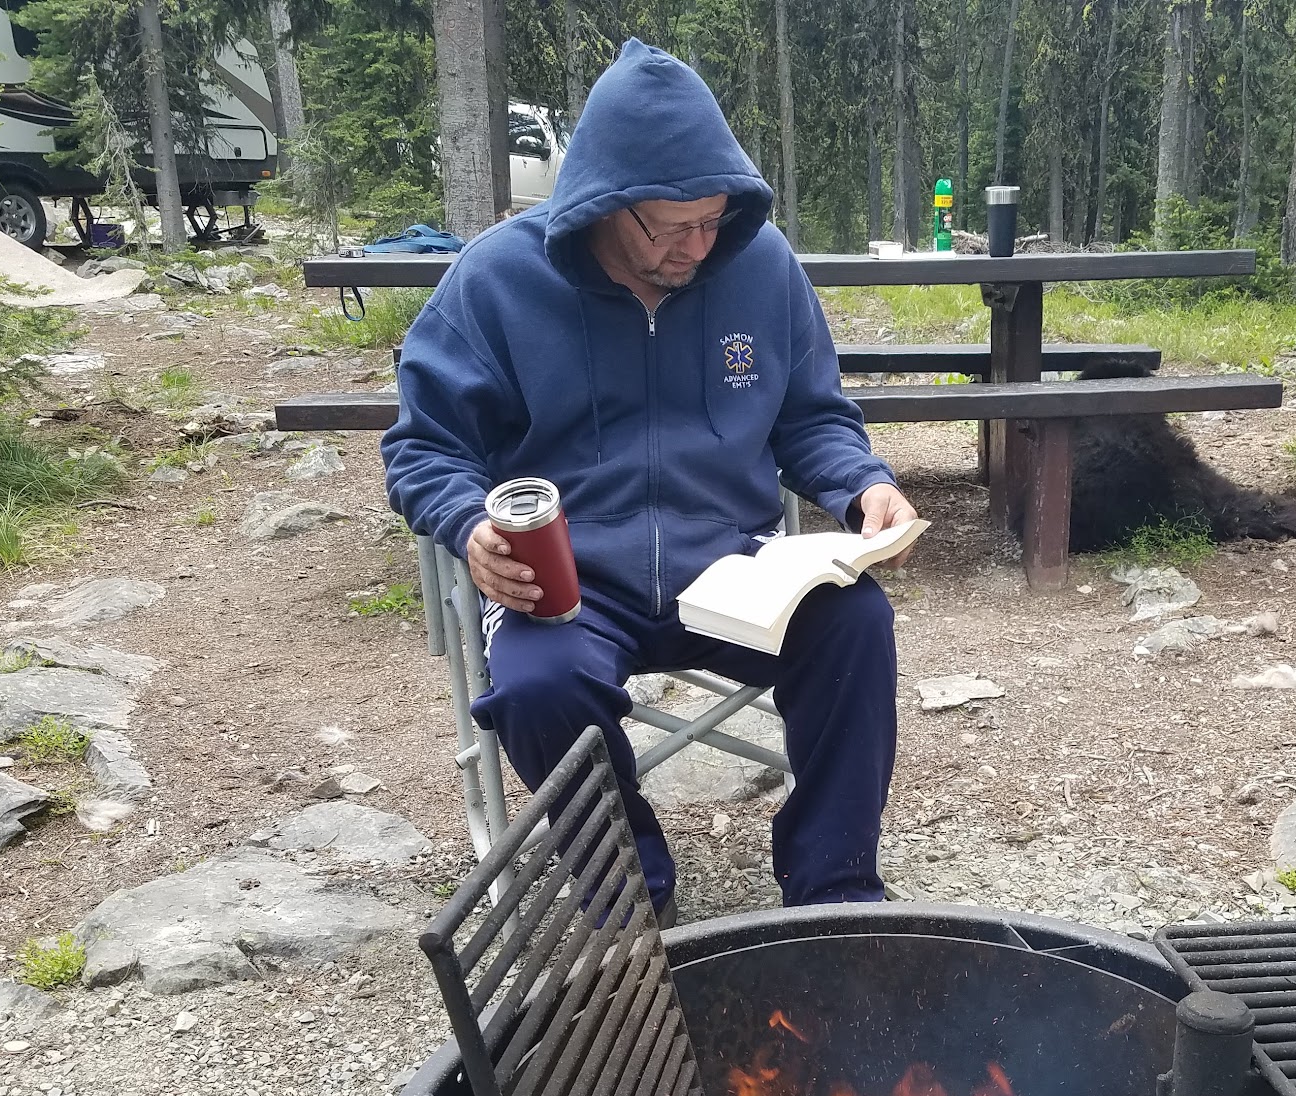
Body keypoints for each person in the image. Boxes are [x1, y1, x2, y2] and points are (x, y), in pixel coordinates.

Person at [383, 40, 919, 920]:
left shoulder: (760, 264)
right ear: (603, 203)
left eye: (713, 221)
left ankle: (834, 892)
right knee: (534, 687)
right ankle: (634, 898)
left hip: (735, 571)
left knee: (856, 624)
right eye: (670, 227)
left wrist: (863, 485)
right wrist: (467, 524)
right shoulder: (496, 280)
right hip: (571, 584)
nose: (697, 248)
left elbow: (811, 417)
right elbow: (423, 448)